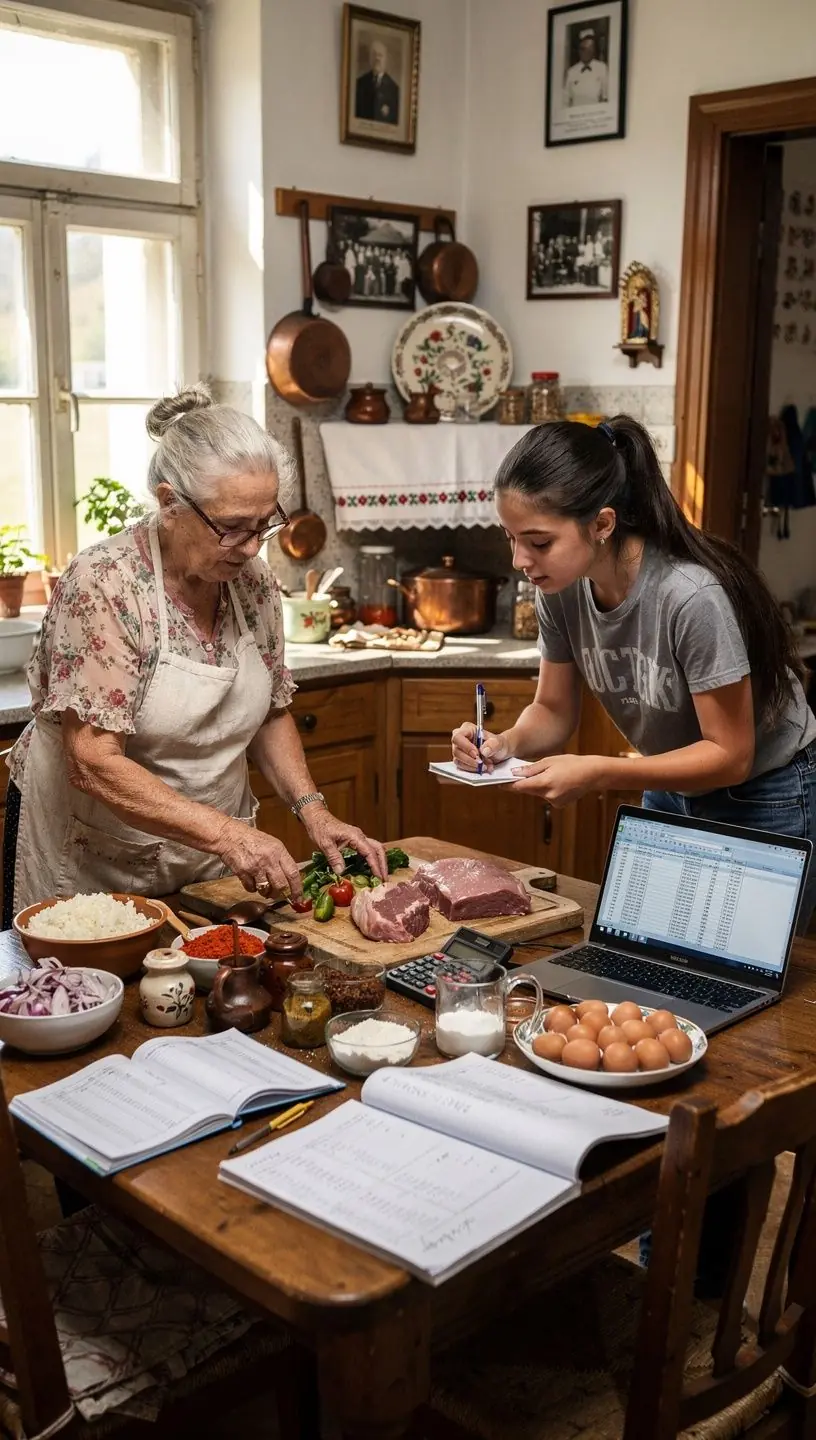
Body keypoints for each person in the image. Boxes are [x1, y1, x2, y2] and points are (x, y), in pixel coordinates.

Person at [3, 385, 387, 924]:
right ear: (169, 504)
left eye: (264, 524)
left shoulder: (252, 581)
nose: (253, 548)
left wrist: (313, 811)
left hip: (210, 857)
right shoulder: (107, 585)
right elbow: (93, 760)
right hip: (95, 863)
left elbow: (269, 712)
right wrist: (227, 834)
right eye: (231, 527)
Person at [451, 416, 816, 933]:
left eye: (538, 541)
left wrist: (599, 772)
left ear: (602, 524)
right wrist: (504, 743)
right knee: (649, 952)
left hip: (763, 791)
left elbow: (730, 756)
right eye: (510, 538)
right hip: (671, 779)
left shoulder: (690, 597)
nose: (519, 560)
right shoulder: (560, 588)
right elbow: (553, 711)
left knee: (740, 977)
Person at [355, 38, 400, 126]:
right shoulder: (359, 83)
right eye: (374, 54)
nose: (377, 58)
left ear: (386, 59)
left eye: (380, 55)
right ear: (369, 58)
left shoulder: (394, 89)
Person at [563, 27, 608, 107]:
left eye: (590, 49)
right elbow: (565, 100)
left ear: (593, 50)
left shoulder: (602, 68)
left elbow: (606, 97)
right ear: (579, 50)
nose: (586, 52)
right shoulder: (572, 71)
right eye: (583, 49)